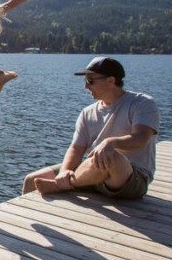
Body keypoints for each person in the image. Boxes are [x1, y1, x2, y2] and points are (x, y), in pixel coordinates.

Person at [23, 57, 159, 199]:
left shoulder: (142, 103)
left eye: (90, 81)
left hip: (131, 178)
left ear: (111, 81)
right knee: (31, 180)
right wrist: (65, 170)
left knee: (108, 155)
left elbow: (141, 138)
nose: (85, 86)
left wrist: (110, 143)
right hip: (92, 173)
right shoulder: (87, 113)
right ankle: (24, 217)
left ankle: (65, 184)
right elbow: (76, 149)